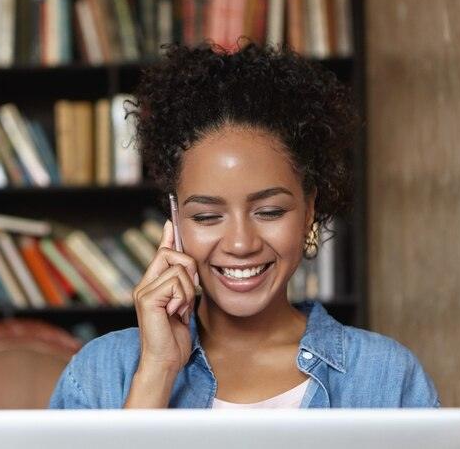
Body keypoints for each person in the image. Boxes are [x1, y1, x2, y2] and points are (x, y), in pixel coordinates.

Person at [48, 42, 440, 409]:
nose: (240, 243)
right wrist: (157, 370)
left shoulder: (387, 376)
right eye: (206, 216)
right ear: (176, 220)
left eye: (269, 212)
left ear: (309, 211)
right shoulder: (99, 373)